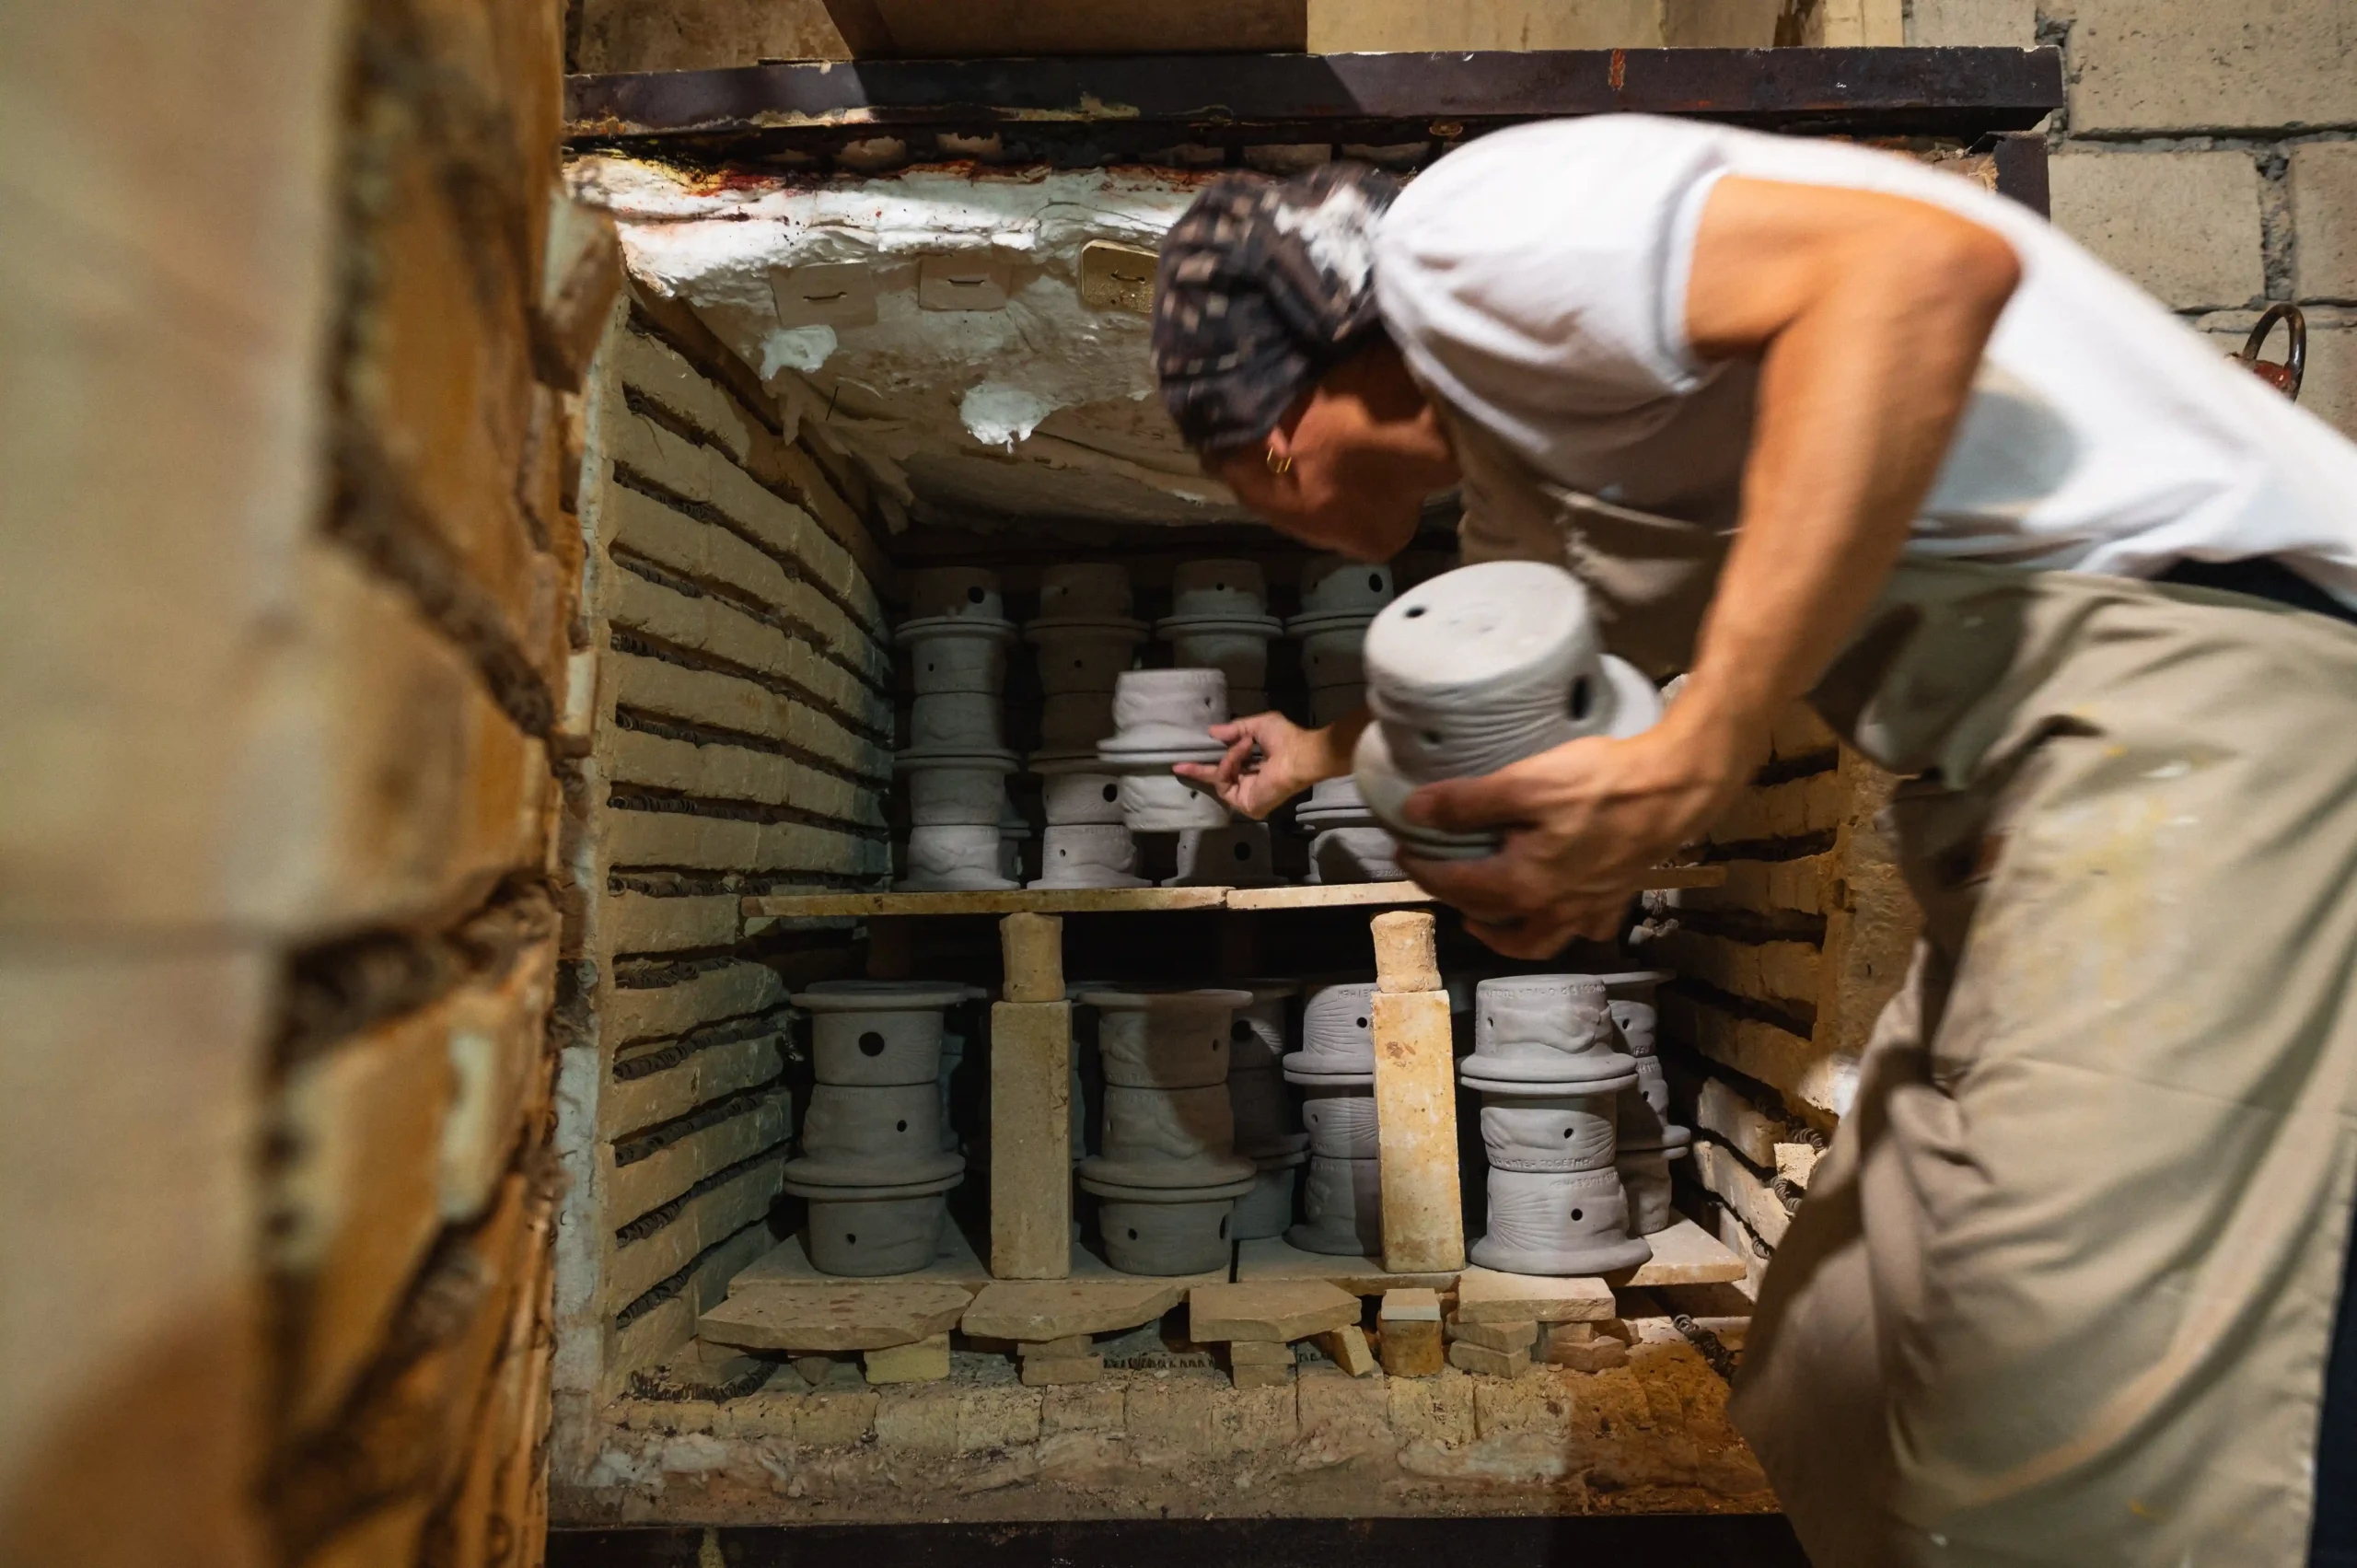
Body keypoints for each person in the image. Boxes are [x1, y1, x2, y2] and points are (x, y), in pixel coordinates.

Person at [1147, 116, 2357, 1568]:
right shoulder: (1521, 479)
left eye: (1239, 481)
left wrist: (1712, 728)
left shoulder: (1464, 242)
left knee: (2067, 1419)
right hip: (2030, 777)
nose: (1268, 515)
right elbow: (1518, 705)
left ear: (1278, 430)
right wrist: (1345, 764)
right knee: (1851, 1351)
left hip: (2206, 688)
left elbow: (1918, 270)